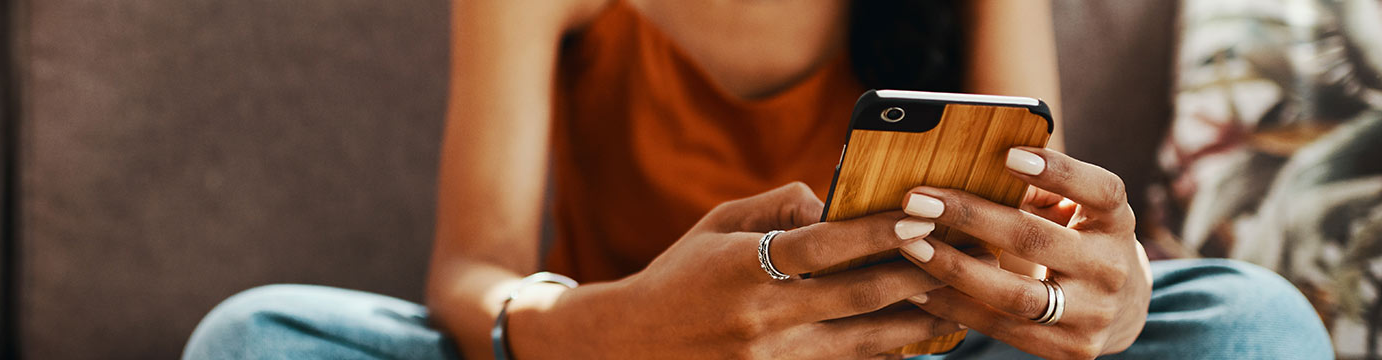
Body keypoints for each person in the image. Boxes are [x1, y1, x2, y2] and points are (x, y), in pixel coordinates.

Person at [182, 1, 1333, 359]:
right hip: (633, 352)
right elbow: (473, 270)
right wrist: (610, 322)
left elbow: (1030, 222)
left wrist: (1100, 289)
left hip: (908, 354)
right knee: (259, 340)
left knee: (1255, 320)